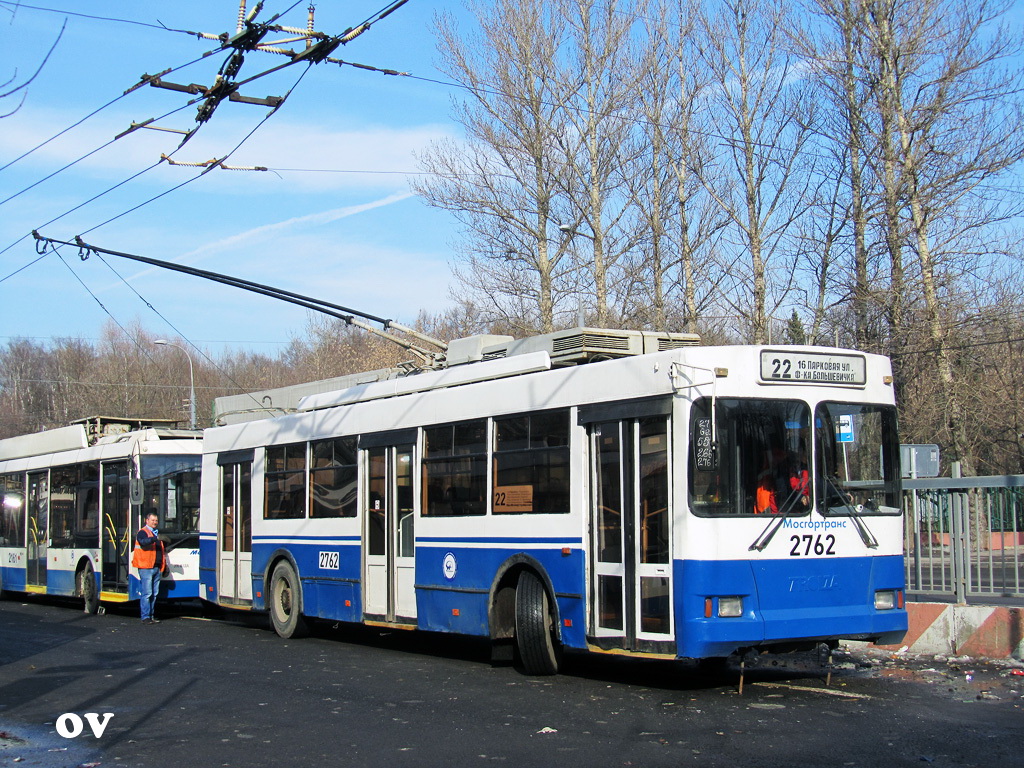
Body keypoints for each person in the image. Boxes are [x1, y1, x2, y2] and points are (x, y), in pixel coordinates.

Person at [132, 512, 166, 624]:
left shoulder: (156, 533)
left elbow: (160, 552)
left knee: (154, 594)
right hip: (146, 567)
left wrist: (163, 566)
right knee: (147, 593)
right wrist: (154, 539)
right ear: (147, 521)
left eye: (156, 520)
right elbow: (142, 542)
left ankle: (151, 616)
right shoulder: (143, 532)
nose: (155, 522)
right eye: (152, 520)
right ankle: (145, 617)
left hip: (156, 568)